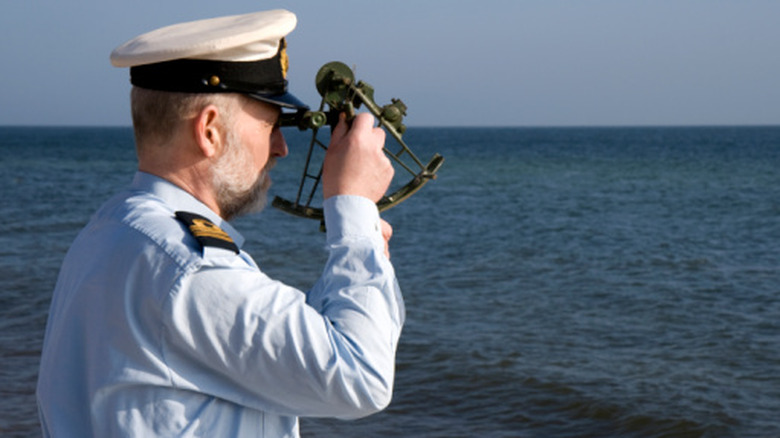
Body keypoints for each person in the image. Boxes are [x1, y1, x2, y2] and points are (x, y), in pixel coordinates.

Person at [36, 9, 404, 437]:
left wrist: (362, 250)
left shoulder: (113, 232)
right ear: (209, 130)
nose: (281, 148)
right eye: (271, 125)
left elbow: (301, 350)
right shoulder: (190, 268)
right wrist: (353, 211)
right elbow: (360, 377)